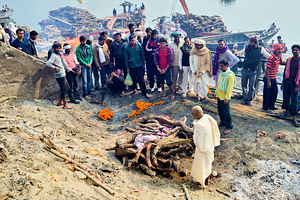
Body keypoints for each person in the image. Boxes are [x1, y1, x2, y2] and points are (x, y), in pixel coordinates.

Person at [191, 106, 220, 188]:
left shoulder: (200, 125)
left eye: (193, 114)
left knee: (201, 165)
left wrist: (194, 140)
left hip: (203, 148)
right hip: (209, 145)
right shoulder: (207, 117)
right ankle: (206, 181)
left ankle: (202, 181)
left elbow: (198, 139)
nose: (193, 116)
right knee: (207, 165)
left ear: (196, 114)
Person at [237, 37, 270, 106]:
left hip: (253, 71)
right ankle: (244, 98)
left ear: (255, 43)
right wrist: (233, 55)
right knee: (244, 85)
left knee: (252, 86)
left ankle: (250, 99)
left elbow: (268, 56)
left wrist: (275, 59)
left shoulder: (261, 49)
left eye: (251, 42)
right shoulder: (247, 47)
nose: (250, 43)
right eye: (249, 42)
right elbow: (240, 53)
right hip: (244, 69)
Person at [46, 43, 74, 109]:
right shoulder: (53, 55)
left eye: (59, 48)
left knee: (64, 88)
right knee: (64, 89)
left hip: (62, 74)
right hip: (60, 75)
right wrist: (55, 67)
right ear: (54, 49)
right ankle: (65, 105)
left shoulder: (58, 55)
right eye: (57, 48)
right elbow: (47, 64)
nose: (59, 49)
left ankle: (60, 102)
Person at [281, 45, 300, 127]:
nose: (295, 51)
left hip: (295, 84)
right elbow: (285, 72)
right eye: (294, 50)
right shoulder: (289, 60)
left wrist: (297, 86)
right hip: (287, 82)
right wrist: (282, 83)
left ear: (299, 51)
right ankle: (287, 112)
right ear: (292, 51)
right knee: (286, 97)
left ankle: (294, 118)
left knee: (295, 100)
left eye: (297, 50)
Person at [263, 44, 285, 112]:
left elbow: (281, 62)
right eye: (278, 49)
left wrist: (289, 62)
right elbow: (267, 69)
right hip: (268, 77)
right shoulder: (271, 58)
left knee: (274, 92)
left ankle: (271, 105)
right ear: (275, 49)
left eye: (281, 49)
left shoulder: (279, 57)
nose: (280, 51)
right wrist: (268, 81)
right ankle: (266, 107)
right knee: (267, 93)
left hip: (274, 77)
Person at [190, 39, 213, 104]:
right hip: (194, 72)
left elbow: (208, 63)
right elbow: (191, 62)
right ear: (195, 45)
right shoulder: (193, 51)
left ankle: (204, 99)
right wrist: (193, 70)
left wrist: (202, 71)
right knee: (196, 85)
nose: (198, 46)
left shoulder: (206, 52)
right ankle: (197, 98)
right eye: (197, 45)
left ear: (202, 45)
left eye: (200, 45)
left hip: (203, 73)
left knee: (202, 86)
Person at [215, 60, 235, 134]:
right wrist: (216, 93)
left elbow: (230, 89)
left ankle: (229, 125)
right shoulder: (221, 74)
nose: (220, 68)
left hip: (225, 97)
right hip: (219, 95)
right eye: (220, 66)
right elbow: (218, 84)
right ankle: (223, 122)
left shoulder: (230, 75)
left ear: (227, 66)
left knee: (226, 111)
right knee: (220, 110)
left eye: (222, 66)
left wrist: (227, 98)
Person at [76, 35, 93, 100]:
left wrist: (90, 62)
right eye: (83, 41)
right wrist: (86, 64)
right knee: (84, 81)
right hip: (83, 66)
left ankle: (89, 91)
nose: (84, 42)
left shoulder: (88, 47)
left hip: (89, 64)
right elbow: (79, 59)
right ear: (80, 41)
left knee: (89, 79)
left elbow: (91, 55)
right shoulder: (78, 49)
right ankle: (85, 94)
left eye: (85, 41)